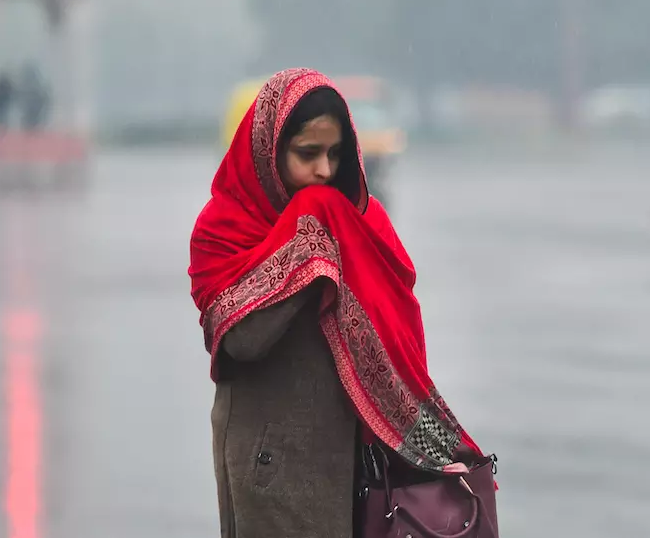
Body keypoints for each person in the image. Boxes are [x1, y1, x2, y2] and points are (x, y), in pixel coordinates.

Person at [188, 68, 481, 538]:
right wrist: (307, 246)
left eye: (335, 154)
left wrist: (441, 450)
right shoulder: (224, 228)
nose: (324, 171)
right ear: (268, 151)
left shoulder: (359, 224)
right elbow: (241, 340)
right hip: (273, 466)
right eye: (307, 154)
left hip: (362, 467)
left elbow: (397, 352)